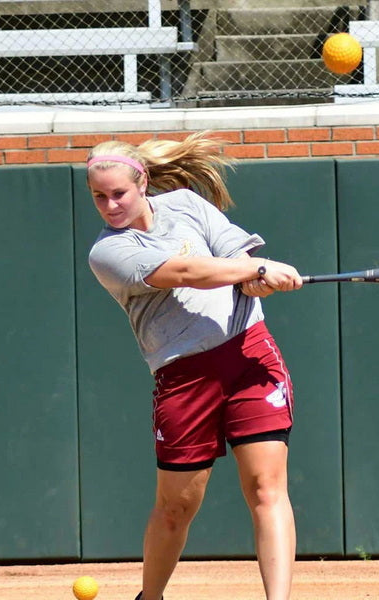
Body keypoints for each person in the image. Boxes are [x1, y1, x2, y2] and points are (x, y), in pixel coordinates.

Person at [86, 131, 303, 600]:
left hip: (249, 353)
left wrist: (255, 279)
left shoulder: (185, 204)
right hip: (185, 376)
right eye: (99, 197)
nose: (109, 205)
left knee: (266, 488)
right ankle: (152, 597)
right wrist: (257, 270)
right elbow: (185, 273)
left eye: (118, 193)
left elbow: (236, 258)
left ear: (142, 184)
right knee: (175, 509)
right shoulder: (108, 252)